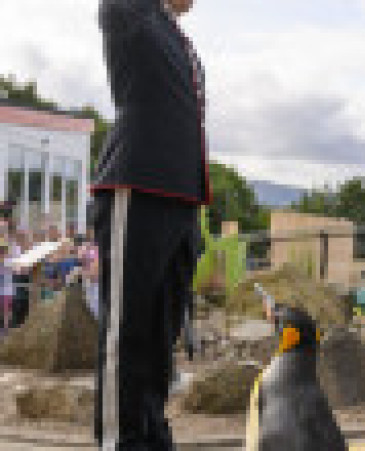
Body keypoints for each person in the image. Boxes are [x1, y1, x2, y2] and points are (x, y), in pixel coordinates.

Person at [94, 0, 210, 448]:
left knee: (161, 337)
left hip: (183, 199)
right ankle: (120, 441)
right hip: (137, 187)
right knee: (126, 334)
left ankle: (150, 433)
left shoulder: (180, 37)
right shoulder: (129, 12)